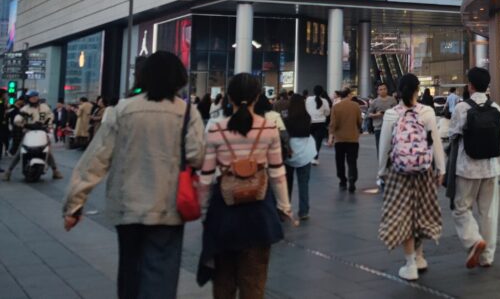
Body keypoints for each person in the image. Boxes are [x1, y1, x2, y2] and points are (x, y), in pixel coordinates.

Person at [62, 51, 205, 299]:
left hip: (127, 207)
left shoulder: (123, 109)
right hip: (168, 207)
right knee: (162, 275)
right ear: (179, 78)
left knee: (130, 272)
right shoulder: (187, 112)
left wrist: (74, 204)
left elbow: (95, 160)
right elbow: (197, 156)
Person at [197, 73, 292, 296]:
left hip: (223, 212)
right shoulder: (268, 129)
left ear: (229, 97)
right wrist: (284, 206)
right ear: (257, 97)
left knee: (223, 282)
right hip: (259, 212)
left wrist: (204, 211)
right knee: (254, 283)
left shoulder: (216, 129)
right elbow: (277, 172)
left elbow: (206, 176)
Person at [377, 74, 446, 281]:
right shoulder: (427, 112)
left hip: (399, 172)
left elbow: (384, 146)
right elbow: (435, 142)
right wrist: (441, 169)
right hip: (423, 171)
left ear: (398, 91)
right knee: (420, 213)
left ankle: (410, 264)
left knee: (403, 215)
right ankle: (420, 256)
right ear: (418, 90)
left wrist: (381, 172)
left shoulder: (392, 114)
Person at [449, 67, 500, 268]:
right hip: (492, 165)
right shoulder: (496, 108)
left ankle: (474, 241)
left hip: (468, 167)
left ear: (470, 86)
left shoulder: (462, 108)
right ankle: (487, 256)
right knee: (489, 212)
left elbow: (453, 134)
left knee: (461, 208)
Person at [5, 91, 61, 179]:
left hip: (42, 132)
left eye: (36, 97)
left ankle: (55, 171)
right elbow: (17, 119)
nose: (34, 98)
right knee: (20, 151)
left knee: (47, 151)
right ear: (28, 99)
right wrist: (25, 124)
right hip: (29, 132)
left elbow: (51, 116)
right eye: (32, 97)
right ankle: (8, 171)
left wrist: (47, 124)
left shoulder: (44, 107)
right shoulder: (25, 109)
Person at [283, 95, 315, 221]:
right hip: (305, 154)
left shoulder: (287, 119)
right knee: (303, 183)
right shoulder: (307, 118)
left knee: (287, 183)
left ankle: (286, 210)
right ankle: (304, 211)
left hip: (290, 153)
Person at [328, 86, 363, 192]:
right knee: (352, 161)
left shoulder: (336, 107)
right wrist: (357, 129)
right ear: (349, 95)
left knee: (340, 161)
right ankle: (352, 179)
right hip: (353, 138)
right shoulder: (356, 106)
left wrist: (330, 138)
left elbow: (333, 124)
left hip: (339, 139)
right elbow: (359, 121)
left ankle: (342, 180)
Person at [306, 85, 332, 164]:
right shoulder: (325, 101)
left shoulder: (308, 99)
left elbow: (306, 110)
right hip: (321, 123)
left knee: (310, 141)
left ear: (313, 91)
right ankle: (315, 158)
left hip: (310, 123)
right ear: (322, 92)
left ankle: (309, 156)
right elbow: (327, 113)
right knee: (318, 142)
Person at [367, 84, 395, 155]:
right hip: (379, 128)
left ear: (387, 90)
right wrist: (376, 114)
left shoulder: (392, 100)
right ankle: (381, 161)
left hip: (391, 127)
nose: (383, 91)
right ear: (378, 91)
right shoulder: (374, 102)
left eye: (384, 89)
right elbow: (369, 114)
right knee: (380, 148)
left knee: (391, 147)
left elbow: (397, 111)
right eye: (381, 89)